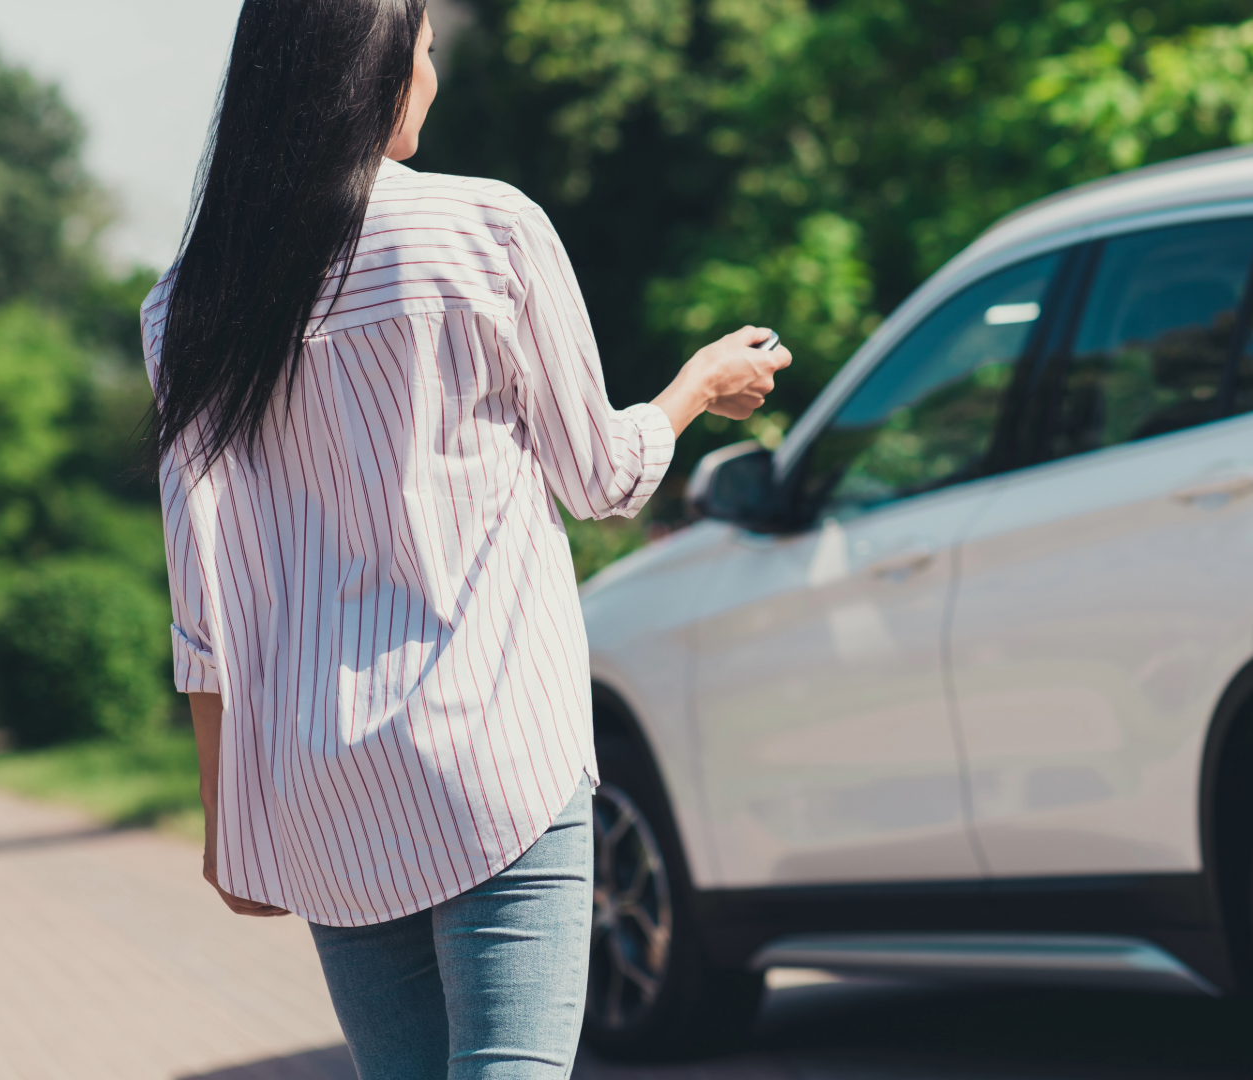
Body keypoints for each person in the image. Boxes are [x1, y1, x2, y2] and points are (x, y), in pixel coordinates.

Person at [141, 2, 790, 1077]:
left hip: (321, 780)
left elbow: (203, 596)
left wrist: (229, 817)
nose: (434, 74)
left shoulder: (188, 305)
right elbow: (604, 479)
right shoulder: (488, 228)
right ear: (378, 70)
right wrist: (695, 389)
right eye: (428, 50)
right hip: (497, 749)